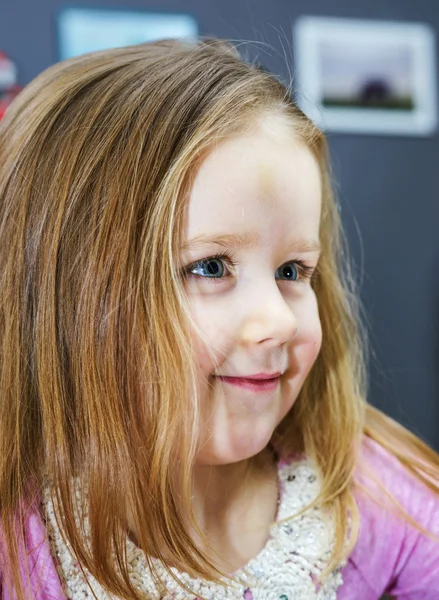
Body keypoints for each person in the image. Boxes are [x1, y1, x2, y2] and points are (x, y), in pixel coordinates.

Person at [0, 37, 438, 600]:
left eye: (292, 271)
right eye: (210, 267)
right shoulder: (22, 549)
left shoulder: (381, 498)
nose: (277, 321)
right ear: (64, 295)